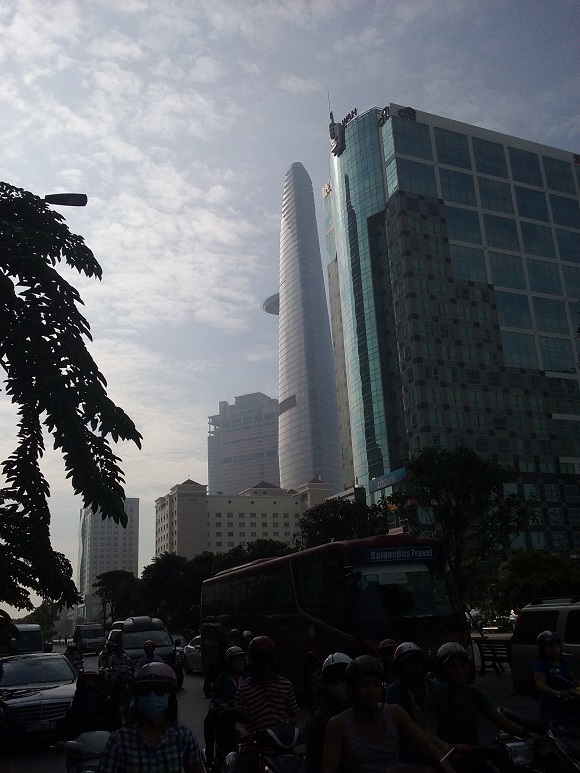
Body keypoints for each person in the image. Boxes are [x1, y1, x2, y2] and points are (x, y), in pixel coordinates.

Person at [322, 655, 454, 773]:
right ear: (351, 690)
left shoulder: (395, 713)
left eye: (375, 685)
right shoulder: (338, 725)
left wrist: (448, 768)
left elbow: (429, 747)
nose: (371, 691)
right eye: (364, 685)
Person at [424, 642, 533, 771]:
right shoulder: (435, 697)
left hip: (473, 753)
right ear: (443, 671)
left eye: (463, 665)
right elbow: (429, 733)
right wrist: (446, 746)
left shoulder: (473, 693)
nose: (460, 671)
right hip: (449, 758)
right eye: (453, 667)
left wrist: (529, 735)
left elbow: (499, 720)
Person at [97, 662, 205, 773]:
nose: (151, 696)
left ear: (170, 696)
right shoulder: (119, 742)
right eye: (145, 690)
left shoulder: (183, 737)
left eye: (159, 690)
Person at [234, 636, 298, 773]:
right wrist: (245, 733)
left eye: (265, 660)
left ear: (271, 661)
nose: (262, 665)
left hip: (283, 749)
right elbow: (237, 723)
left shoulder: (286, 686)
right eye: (258, 660)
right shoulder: (243, 691)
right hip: (256, 751)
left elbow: (294, 715)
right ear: (252, 661)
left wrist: (288, 721)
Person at [386, 642, 443, 766]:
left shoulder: (435, 688)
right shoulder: (394, 693)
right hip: (410, 756)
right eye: (408, 665)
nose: (413, 669)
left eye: (416, 663)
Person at [302, 652, 352, 773]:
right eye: (334, 681)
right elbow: (312, 762)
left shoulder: (363, 710)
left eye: (343, 679)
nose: (339, 686)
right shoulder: (321, 718)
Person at [204, 645, 249, 769]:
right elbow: (216, 695)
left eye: (243, 659)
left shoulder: (247, 678)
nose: (242, 662)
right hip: (229, 712)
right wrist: (222, 704)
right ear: (231, 662)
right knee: (209, 721)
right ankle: (211, 756)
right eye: (239, 659)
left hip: (245, 714)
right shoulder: (223, 678)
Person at [533, 629, 580, 727]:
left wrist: (577, 685)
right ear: (544, 649)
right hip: (551, 708)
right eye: (550, 646)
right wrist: (558, 693)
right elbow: (540, 686)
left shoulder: (563, 661)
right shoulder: (541, 665)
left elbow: (572, 679)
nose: (554, 649)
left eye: (557, 646)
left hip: (568, 704)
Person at [62, 670, 120, 741]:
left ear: (98, 689)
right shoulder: (74, 711)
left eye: (92, 688)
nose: (88, 692)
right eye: (84, 688)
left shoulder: (107, 709)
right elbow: (66, 734)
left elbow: (118, 731)